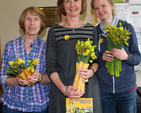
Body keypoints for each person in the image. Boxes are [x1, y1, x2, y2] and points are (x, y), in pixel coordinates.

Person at [46, 0, 102, 113]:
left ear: (82, 4)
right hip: (62, 91)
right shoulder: (54, 31)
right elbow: (50, 65)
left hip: (87, 89)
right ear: (62, 5)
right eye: (67, 1)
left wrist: (91, 72)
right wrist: (64, 89)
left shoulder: (91, 30)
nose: (72, 4)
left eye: (76, 0)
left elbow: (96, 61)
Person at [91, 0, 141, 113]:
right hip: (104, 91)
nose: (100, 10)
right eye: (96, 8)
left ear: (112, 6)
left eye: (103, 6)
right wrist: (101, 58)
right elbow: (91, 60)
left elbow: (137, 58)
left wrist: (126, 56)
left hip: (127, 90)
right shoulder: (95, 32)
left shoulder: (127, 28)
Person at [0, 7, 50, 113]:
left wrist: (40, 77)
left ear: (41, 23)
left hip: (39, 105)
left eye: (36, 19)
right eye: (28, 19)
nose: (32, 23)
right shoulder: (10, 46)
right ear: (23, 23)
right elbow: (3, 77)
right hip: (13, 105)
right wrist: (16, 80)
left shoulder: (48, 48)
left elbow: (52, 77)